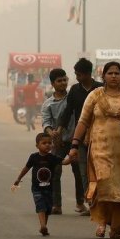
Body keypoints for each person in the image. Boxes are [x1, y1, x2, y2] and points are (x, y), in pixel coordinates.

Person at [67, 61, 120, 239]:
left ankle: (117, 229)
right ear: (103, 76)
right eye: (110, 73)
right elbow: (82, 121)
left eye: (117, 73)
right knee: (102, 185)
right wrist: (74, 145)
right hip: (100, 150)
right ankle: (101, 223)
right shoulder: (95, 96)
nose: (113, 76)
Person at [56, 58, 103, 216]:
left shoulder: (100, 89)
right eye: (76, 74)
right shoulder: (75, 90)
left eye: (79, 74)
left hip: (100, 137)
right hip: (81, 138)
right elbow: (68, 111)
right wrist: (60, 129)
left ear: (88, 74)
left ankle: (102, 202)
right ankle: (90, 202)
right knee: (84, 172)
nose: (77, 77)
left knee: (100, 171)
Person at [41, 68, 86, 215]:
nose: (63, 83)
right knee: (54, 171)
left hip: (75, 141)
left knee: (79, 172)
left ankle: (81, 203)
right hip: (58, 142)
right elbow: (46, 123)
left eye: (65, 80)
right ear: (53, 83)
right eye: (59, 81)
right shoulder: (48, 104)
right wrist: (52, 133)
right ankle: (56, 205)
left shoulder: (73, 98)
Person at [12, 132, 72, 236]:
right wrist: (18, 179)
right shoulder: (34, 157)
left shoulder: (52, 158)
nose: (47, 145)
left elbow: (64, 162)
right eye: (44, 143)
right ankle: (43, 226)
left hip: (49, 189)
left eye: (49, 143)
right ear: (37, 145)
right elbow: (26, 169)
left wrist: (71, 158)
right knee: (40, 205)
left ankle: (44, 226)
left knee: (48, 208)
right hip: (37, 188)